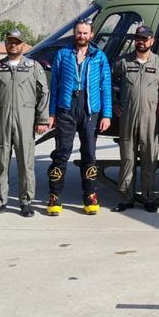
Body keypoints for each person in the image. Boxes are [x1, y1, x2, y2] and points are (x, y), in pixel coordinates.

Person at [0, 29, 50, 218]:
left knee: (26, 164)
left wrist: (42, 119)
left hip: (25, 121)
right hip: (1, 121)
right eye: (10, 41)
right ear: (5, 44)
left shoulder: (34, 67)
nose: (13, 45)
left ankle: (26, 202)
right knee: (0, 163)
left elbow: (44, 93)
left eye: (17, 42)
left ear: (23, 45)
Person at [46, 19, 112, 216]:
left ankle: (90, 194)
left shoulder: (99, 56)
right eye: (78, 33)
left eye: (85, 33)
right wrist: (51, 113)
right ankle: (55, 196)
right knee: (61, 153)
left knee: (89, 154)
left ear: (91, 35)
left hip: (90, 109)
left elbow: (105, 86)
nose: (81, 36)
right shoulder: (62, 54)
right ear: (74, 34)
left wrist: (106, 114)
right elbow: (54, 85)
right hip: (66, 107)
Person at [111, 25, 159, 213]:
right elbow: (107, 82)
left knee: (150, 158)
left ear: (152, 41)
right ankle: (126, 198)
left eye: (144, 38)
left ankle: (149, 197)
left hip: (150, 118)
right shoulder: (123, 62)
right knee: (127, 158)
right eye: (138, 38)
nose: (140, 41)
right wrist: (114, 102)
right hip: (127, 116)